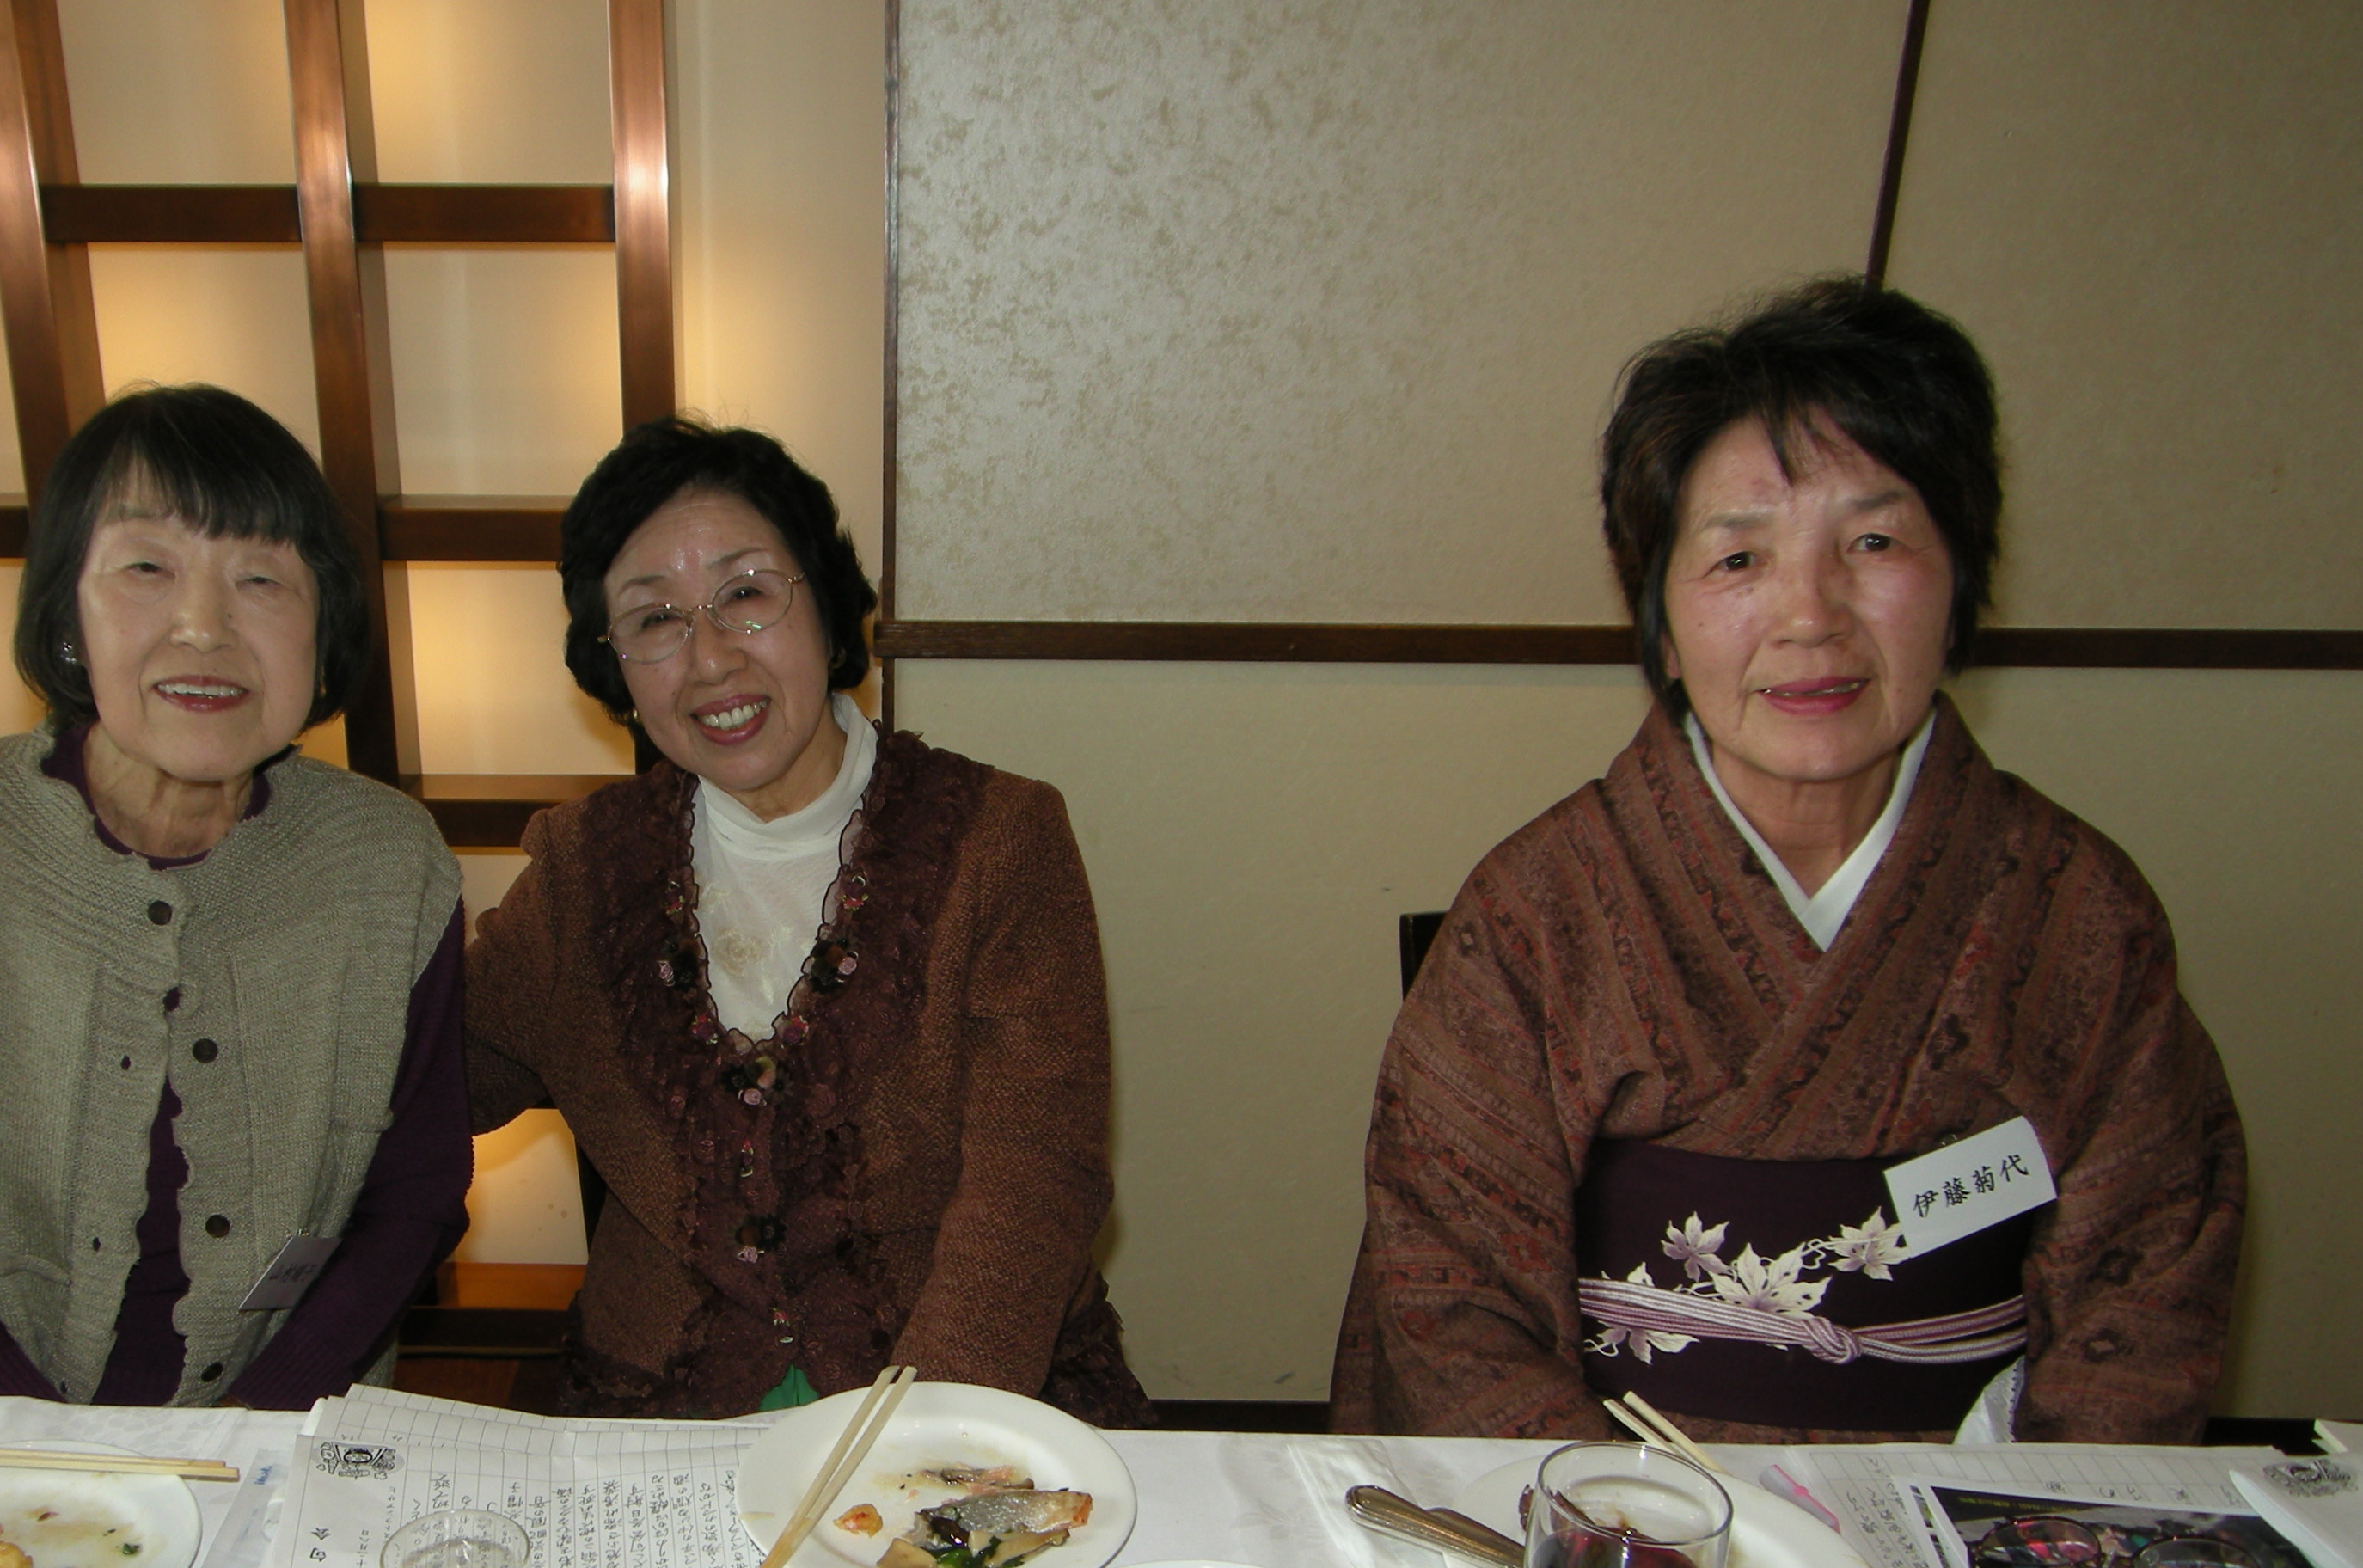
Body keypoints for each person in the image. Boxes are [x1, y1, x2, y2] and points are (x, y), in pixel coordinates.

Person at [1329, 279, 2244, 1443]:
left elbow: (2149, 1290)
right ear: (1659, 615)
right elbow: (1449, 1292)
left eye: (1874, 542)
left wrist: (2036, 1515)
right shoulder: (1537, 913)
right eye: (1739, 560)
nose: (1810, 615)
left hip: (1970, 1500)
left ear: (1962, 578)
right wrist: (1623, 1516)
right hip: (1613, 1496)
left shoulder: (2081, 914)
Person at [466, 416, 1150, 1422]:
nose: (709, 660)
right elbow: (432, 1077)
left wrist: (922, 1436)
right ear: (613, 665)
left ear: (825, 604)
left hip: (956, 1388)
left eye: (745, 595)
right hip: (658, 1409)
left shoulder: (1000, 841)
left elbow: (1034, 1176)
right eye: (655, 619)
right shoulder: (583, 873)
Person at [0, 385, 469, 1407]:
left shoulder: (391, 864)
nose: (204, 627)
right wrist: (36, 1449)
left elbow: (413, 1202)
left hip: (286, 1422)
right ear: (67, 614)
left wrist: (257, 1421)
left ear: (322, 629)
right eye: (146, 568)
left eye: (261, 577)